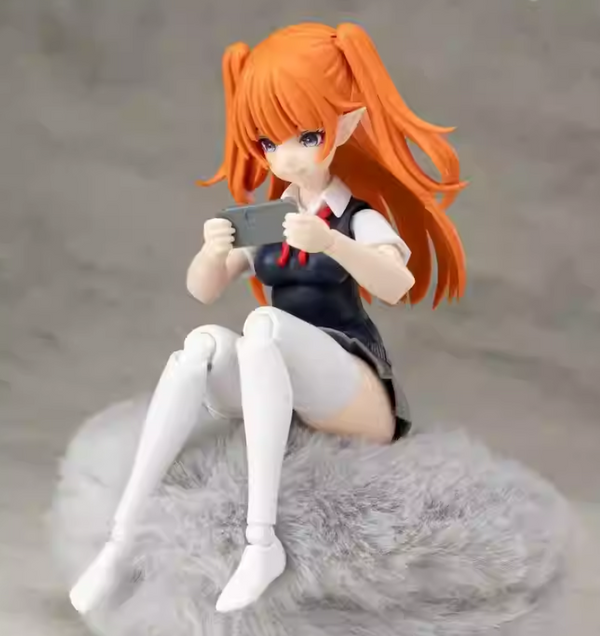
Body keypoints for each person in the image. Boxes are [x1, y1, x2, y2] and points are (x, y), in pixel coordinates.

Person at [69, 21, 467, 616]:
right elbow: (203, 291)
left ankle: (262, 543)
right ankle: (120, 540)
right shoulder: (269, 220)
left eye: (306, 135)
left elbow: (397, 282)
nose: (287, 157)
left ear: (346, 124)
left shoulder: (356, 216)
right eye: (268, 142)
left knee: (264, 328)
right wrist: (212, 251)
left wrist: (332, 243)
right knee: (201, 346)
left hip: (357, 388)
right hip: (279, 377)